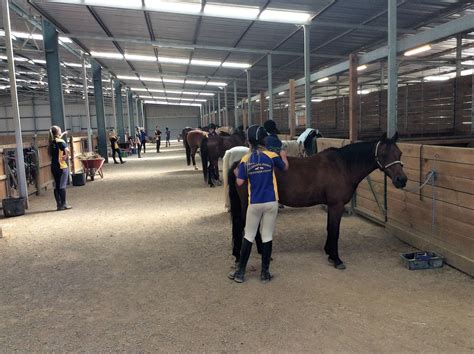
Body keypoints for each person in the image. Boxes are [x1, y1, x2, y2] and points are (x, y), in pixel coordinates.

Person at [228, 125, 289, 284]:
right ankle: (265, 273)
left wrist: (236, 174)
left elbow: (240, 182)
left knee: (248, 235)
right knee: (267, 235)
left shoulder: (245, 159)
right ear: (263, 139)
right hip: (271, 202)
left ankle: (240, 272)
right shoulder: (271, 155)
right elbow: (285, 168)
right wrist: (283, 155)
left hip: (254, 203)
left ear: (249, 141)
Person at [48, 125, 72, 211]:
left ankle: (58, 205)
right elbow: (67, 150)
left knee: (57, 185)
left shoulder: (51, 142)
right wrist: (66, 156)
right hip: (61, 166)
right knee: (62, 186)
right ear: (57, 132)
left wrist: (64, 133)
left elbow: (58, 139)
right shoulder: (60, 141)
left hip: (54, 166)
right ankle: (64, 204)